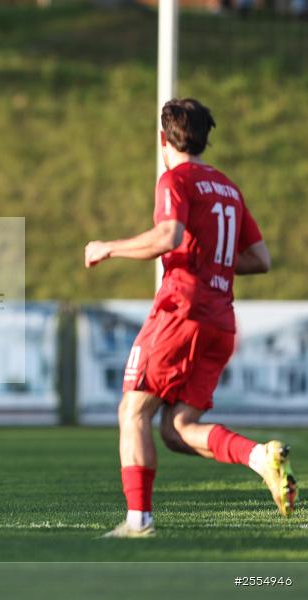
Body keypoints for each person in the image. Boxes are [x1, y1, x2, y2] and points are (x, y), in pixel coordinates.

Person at [84, 98, 297, 537]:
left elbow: (169, 235)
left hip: (181, 311)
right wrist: (215, 262)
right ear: (204, 137)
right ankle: (260, 457)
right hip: (220, 320)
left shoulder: (174, 179)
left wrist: (109, 246)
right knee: (178, 429)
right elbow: (260, 259)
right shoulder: (228, 188)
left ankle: (138, 521)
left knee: (133, 410)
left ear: (163, 139)